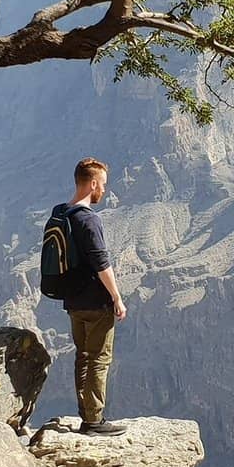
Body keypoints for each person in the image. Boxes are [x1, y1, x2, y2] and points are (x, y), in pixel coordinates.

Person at [62, 158, 128, 436]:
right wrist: (116, 296)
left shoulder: (62, 214)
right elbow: (101, 261)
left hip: (73, 301)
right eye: (102, 184)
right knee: (99, 359)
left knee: (83, 357)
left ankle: (85, 413)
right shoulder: (89, 219)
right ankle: (94, 420)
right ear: (92, 184)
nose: (104, 190)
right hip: (94, 302)